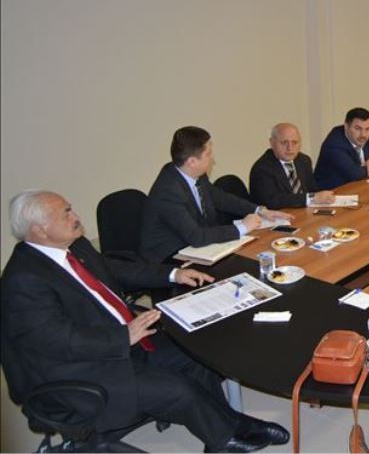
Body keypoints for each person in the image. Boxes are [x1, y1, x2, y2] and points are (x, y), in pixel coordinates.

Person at [1, 190, 290, 452]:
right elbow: (55, 341)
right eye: (65, 213)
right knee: (178, 390)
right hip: (80, 369)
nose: (75, 216)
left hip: (117, 341)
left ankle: (228, 424)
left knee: (197, 355)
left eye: (71, 208)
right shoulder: (23, 279)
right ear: (39, 229)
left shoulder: (75, 247)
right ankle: (223, 438)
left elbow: (116, 269)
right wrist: (123, 336)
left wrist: (173, 274)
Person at [139, 126, 292, 263]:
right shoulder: (168, 191)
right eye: (208, 154)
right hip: (169, 258)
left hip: (195, 248)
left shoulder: (194, 173)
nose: (212, 158)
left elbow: (220, 198)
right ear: (192, 161)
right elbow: (197, 236)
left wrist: (260, 210)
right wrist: (243, 227)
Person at [249, 123, 335, 209]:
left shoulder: (304, 160)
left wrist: (323, 197)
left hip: (304, 211)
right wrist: (311, 198)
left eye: (294, 142)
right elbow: (272, 201)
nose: (290, 148)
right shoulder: (262, 169)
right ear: (272, 143)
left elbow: (312, 189)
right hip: (279, 215)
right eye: (284, 143)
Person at [314, 107, 369, 190]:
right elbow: (354, 174)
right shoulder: (334, 143)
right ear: (346, 126)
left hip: (359, 186)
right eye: (358, 128)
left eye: (368, 129)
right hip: (332, 192)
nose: (363, 134)